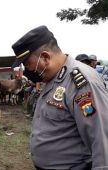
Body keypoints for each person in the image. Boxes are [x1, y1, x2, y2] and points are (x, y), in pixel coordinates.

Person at [11, 25, 108, 170]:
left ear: (45, 57)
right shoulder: (51, 78)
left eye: (28, 65)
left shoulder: (81, 82)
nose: (28, 71)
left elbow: (101, 141)